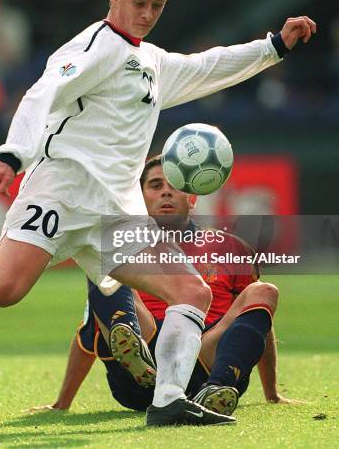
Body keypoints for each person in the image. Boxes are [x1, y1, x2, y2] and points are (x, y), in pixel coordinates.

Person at [0, 0, 315, 427]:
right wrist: (12, 153)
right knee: (1, 289)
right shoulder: (92, 48)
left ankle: (167, 401)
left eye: (156, 6)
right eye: (138, 2)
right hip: (61, 192)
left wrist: (274, 47)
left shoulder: (153, 63)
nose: (146, 14)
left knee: (191, 291)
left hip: (116, 214)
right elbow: (41, 94)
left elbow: (208, 67)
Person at [32, 156, 289, 416]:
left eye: (175, 185)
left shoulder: (231, 248)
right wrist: (61, 402)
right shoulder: (123, 248)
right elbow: (92, 326)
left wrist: (272, 394)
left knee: (264, 291)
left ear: (193, 198)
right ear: (139, 199)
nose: (165, 191)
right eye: (155, 185)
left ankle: (217, 387)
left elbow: (258, 321)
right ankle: (134, 351)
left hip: (208, 356)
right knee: (101, 263)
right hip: (147, 362)